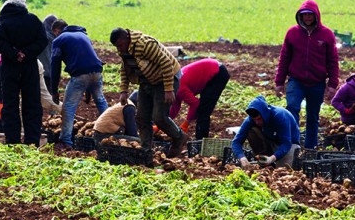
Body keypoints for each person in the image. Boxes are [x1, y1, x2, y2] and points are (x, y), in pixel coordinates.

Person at [110, 27, 188, 157]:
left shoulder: (145, 44)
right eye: (116, 47)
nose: (119, 49)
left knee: (159, 117)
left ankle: (179, 137)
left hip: (165, 78)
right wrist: (123, 90)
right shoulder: (124, 49)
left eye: (120, 45)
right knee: (141, 117)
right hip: (147, 80)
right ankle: (145, 150)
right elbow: (125, 68)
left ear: (127, 38)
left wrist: (168, 89)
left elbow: (166, 63)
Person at [274, 0, 340, 149]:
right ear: (300, 16)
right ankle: (292, 144)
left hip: (317, 82)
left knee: (313, 117)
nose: (307, 18)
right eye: (304, 15)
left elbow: (333, 60)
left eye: (310, 15)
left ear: (316, 15)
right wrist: (279, 82)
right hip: (296, 80)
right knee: (292, 109)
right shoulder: (292, 33)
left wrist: (332, 84)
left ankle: (310, 148)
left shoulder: (326, 34)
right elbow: (284, 58)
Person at [0, 0, 48, 145]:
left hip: (10, 67)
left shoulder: (4, 22)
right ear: (24, 3)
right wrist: (26, 53)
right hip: (29, 66)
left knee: (10, 104)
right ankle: (32, 141)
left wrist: (13, 54)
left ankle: (13, 141)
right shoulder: (33, 20)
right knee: (32, 104)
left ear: (8, 2)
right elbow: (42, 40)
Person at [50, 20, 107, 146]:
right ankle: (111, 132)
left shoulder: (59, 40)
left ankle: (66, 140)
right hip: (97, 72)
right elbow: (88, 59)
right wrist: (88, 89)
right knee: (100, 101)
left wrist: (54, 91)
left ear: (56, 31)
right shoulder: (83, 35)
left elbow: (55, 66)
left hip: (80, 75)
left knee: (68, 107)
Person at [231, 95, 301, 169]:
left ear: (265, 114)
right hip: (270, 141)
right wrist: (241, 157)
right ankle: (264, 160)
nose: (257, 122)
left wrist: (272, 158)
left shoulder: (280, 116)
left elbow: (286, 143)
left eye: (259, 119)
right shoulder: (250, 120)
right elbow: (236, 142)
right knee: (251, 131)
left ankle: (271, 160)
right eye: (254, 120)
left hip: (289, 144)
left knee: (283, 170)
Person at [169, 58, 229, 140]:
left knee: (203, 111)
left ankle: (201, 143)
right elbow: (175, 107)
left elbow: (195, 104)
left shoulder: (178, 88)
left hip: (217, 73)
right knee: (202, 108)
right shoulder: (173, 86)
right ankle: (200, 140)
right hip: (211, 69)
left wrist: (186, 123)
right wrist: (162, 124)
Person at [37, 14, 60, 103]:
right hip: (52, 71)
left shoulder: (41, 36)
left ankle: (53, 112)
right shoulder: (55, 38)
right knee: (51, 94)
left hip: (41, 70)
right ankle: (54, 113)